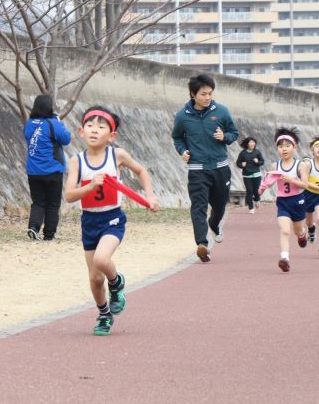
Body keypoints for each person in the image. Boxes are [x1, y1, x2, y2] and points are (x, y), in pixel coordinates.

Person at [63, 106, 159, 336]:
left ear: (112, 135)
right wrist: (90, 186)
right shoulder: (76, 161)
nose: (94, 130)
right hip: (89, 221)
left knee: (102, 258)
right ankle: (104, 314)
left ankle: (116, 283)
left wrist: (150, 196)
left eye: (101, 126)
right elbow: (69, 196)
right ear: (81, 131)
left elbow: (141, 171)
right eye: (89, 125)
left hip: (113, 218)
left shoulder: (117, 155)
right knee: (95, 278)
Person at [171, 74, 239, 263]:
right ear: (193, 94)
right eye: (203, 94)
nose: (208, 97)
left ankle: (214, 225)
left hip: (220, 168)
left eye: (210, 93)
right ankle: (202, 244)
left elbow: (234, 133)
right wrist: (183, 150)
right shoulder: (183, 116)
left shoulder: (222, 111)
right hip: (197, 169)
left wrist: (224, 137)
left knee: (219, 206)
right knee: (198, 207)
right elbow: (177, 137)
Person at [258, 127, 310, 272]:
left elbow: (305, 185)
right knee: (285, 230)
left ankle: (302, 235)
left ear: (294, 147)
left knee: (298, 231)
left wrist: (292, 179)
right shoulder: (275, 165)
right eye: (281, 146)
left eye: (287, 146)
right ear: (277, 149)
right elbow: (269, 180)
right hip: (283, 202)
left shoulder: (301, 165)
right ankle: (284, 258)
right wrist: (262, 189)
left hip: (298, 201)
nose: (284, 149)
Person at [24, 94, 71, 240]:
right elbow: (66, 139)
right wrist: (58, 122)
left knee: (38, 202)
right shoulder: (53, 123)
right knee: (52, 204)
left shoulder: (30, 123)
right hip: (52, 170)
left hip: (33, 171)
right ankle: (49, 234)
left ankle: (33, 227)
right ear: (49, 107)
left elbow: (28, 138)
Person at [236, 137, 264, 213]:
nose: (252, 144)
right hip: (247, 175)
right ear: (247, 144)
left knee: (256, 191)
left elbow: (262, 161)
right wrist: (242, 165)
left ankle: (257, 200)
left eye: (253, 142)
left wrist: (257, 162)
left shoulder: (257, 152)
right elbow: (238, 163)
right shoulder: (243, 153)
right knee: (249, 191)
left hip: (256, 175)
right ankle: (251, 208)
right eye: (251, 142)